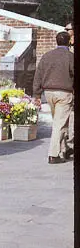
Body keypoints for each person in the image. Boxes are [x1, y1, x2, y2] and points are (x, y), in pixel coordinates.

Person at [33, 31, 74, 164]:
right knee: (59, 124)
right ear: (69, 42)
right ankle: (53, 154)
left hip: (49, 93)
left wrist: (37, 94)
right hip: (64, 93)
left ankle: (64, 149)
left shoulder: (47, 56)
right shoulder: (70, 56)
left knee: (61, 122)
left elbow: (38, 75)